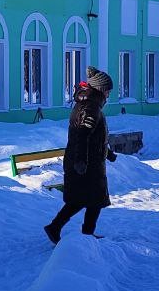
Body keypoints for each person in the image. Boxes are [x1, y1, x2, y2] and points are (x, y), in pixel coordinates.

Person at [45, 67, 117, 243]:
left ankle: (64, 229)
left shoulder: (90, 104)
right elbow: (82, 135)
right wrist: (80, 161)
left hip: (88, 161)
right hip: (86, 163)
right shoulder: (90, 106)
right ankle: (69, 231)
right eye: (108, 91)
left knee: (86, 199)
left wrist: (107, 153)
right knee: (92, 199)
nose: (109, 95)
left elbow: (94, 137)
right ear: (100, 89)